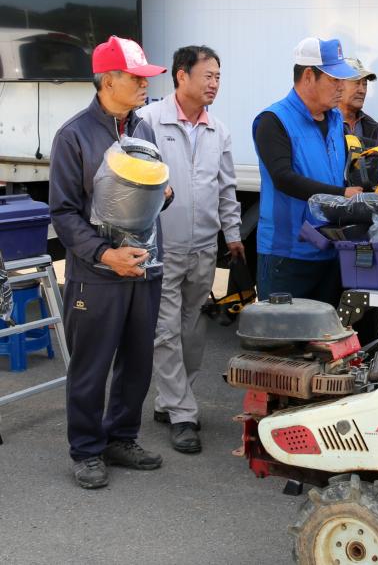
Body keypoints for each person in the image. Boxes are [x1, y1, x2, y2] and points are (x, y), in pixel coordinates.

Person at [49, 36, 170, 489]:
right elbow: (61, 212)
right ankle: (85, 449)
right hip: (96, 275)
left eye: (145, 78)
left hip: (145, 267)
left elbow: (152, 195)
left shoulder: (143, 129)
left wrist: (162, 196)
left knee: (138, 361)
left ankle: (121, 437)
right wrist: (104, 254)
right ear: (108, 80)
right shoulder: (74, 135)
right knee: (91, 365)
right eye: (137, 77)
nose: (144, 84)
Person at [137, 45, 243, 455]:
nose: (214, 84)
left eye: (218, 76)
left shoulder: (219, 130)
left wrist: (232, 234)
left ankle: (171, 399)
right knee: (165, 330)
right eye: (208, 75)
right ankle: (182, 413)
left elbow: (226, 189)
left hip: (202, 246)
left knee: (192, 329)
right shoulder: (148, 121)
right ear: (181, 76)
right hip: (162, 246)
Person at [253, 37, 361, 304]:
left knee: (324, 340)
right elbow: (283, 178)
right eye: (334, 80)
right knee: (282, 342)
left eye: (342, 80)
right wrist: (342, 194)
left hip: (329, 251)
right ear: (309, 76)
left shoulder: (336, 119)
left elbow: (345, 171)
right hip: (287, 255)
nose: (342, 87)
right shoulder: (273, 119)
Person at [339, 57, 378, 145]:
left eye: (365, 84)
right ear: (339, 85)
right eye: (356, 83)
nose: (362, 90)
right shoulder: (322, 123)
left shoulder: (373, 127)